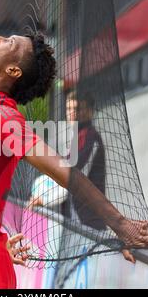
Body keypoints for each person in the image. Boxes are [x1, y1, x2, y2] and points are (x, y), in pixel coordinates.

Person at [0, 32, 148, 289]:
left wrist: (119, 224)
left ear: (13, 70)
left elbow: (63, 169)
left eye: (10, 43)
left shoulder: (0, 113)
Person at [29, 90, 107, 230]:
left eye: (77, 108)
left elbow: (74, 178)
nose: (72, 112)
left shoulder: (91, 138)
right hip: (73, 222)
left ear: (89, 111)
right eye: (69, 108)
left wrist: (44, 200)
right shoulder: (75, 138)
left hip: (89, 225)